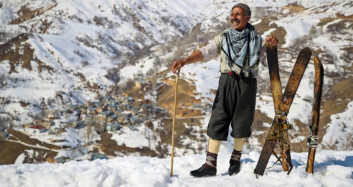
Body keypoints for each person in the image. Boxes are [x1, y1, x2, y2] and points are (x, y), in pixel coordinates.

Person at [171, 3, 278, 177]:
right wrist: (184, 61)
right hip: (227, 81)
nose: (234, 17)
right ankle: (210, 165)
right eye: (232, 14)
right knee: (218, 119)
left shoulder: (256, 39)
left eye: (238, 14)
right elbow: (204, 52)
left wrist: (271, 48)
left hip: (247, 83)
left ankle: (235, 160)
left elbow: (266, 61)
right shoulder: (224, 37)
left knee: (242, 121)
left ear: (247, 18)